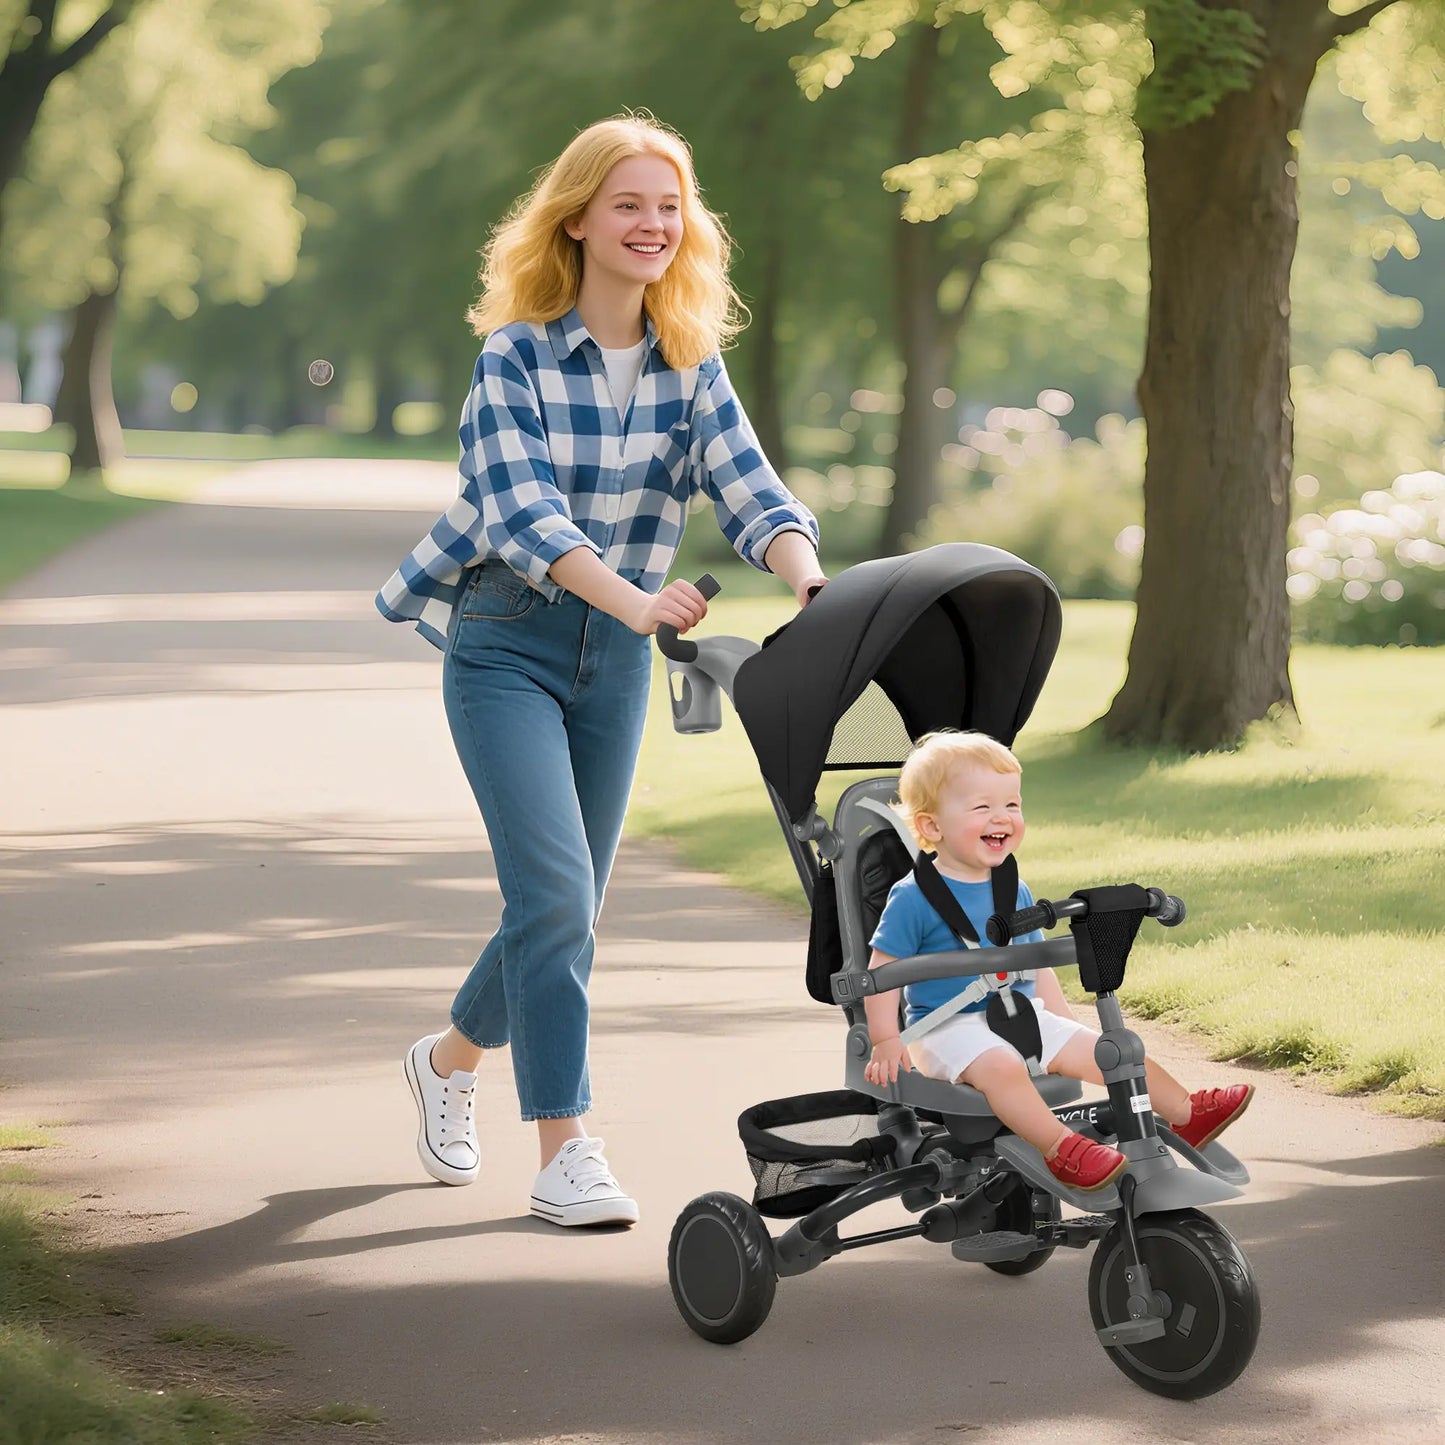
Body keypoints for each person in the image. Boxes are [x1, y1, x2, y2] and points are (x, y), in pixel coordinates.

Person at [376, 114, 826, 1226]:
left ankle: (447, 1058)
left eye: (668, 206)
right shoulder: (514, 358)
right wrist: (637, 600)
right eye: (628, 204)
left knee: (564, 905)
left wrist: (812, 583)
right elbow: (523, 514)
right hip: (505, 642)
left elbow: (750, 489)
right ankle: (565, 1148)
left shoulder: (689, 362)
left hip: (614, 664)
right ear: (576, 219)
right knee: (558, 897)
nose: (651, 224)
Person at [862, 731, 1252, 1191]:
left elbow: (1036, 963)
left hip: (1017, 1016)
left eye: (1012, 804)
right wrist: (885, 1038)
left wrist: (1064, 1026)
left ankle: (1187, 1114)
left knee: (1111, 1049)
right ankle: (1062, 1149)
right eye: (983, 807)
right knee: (1003, 1069)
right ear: (931, 827)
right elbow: (883, 969)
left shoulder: (1014, 888)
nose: (1003, 817)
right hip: (947, 1029)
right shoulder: (912, 897)